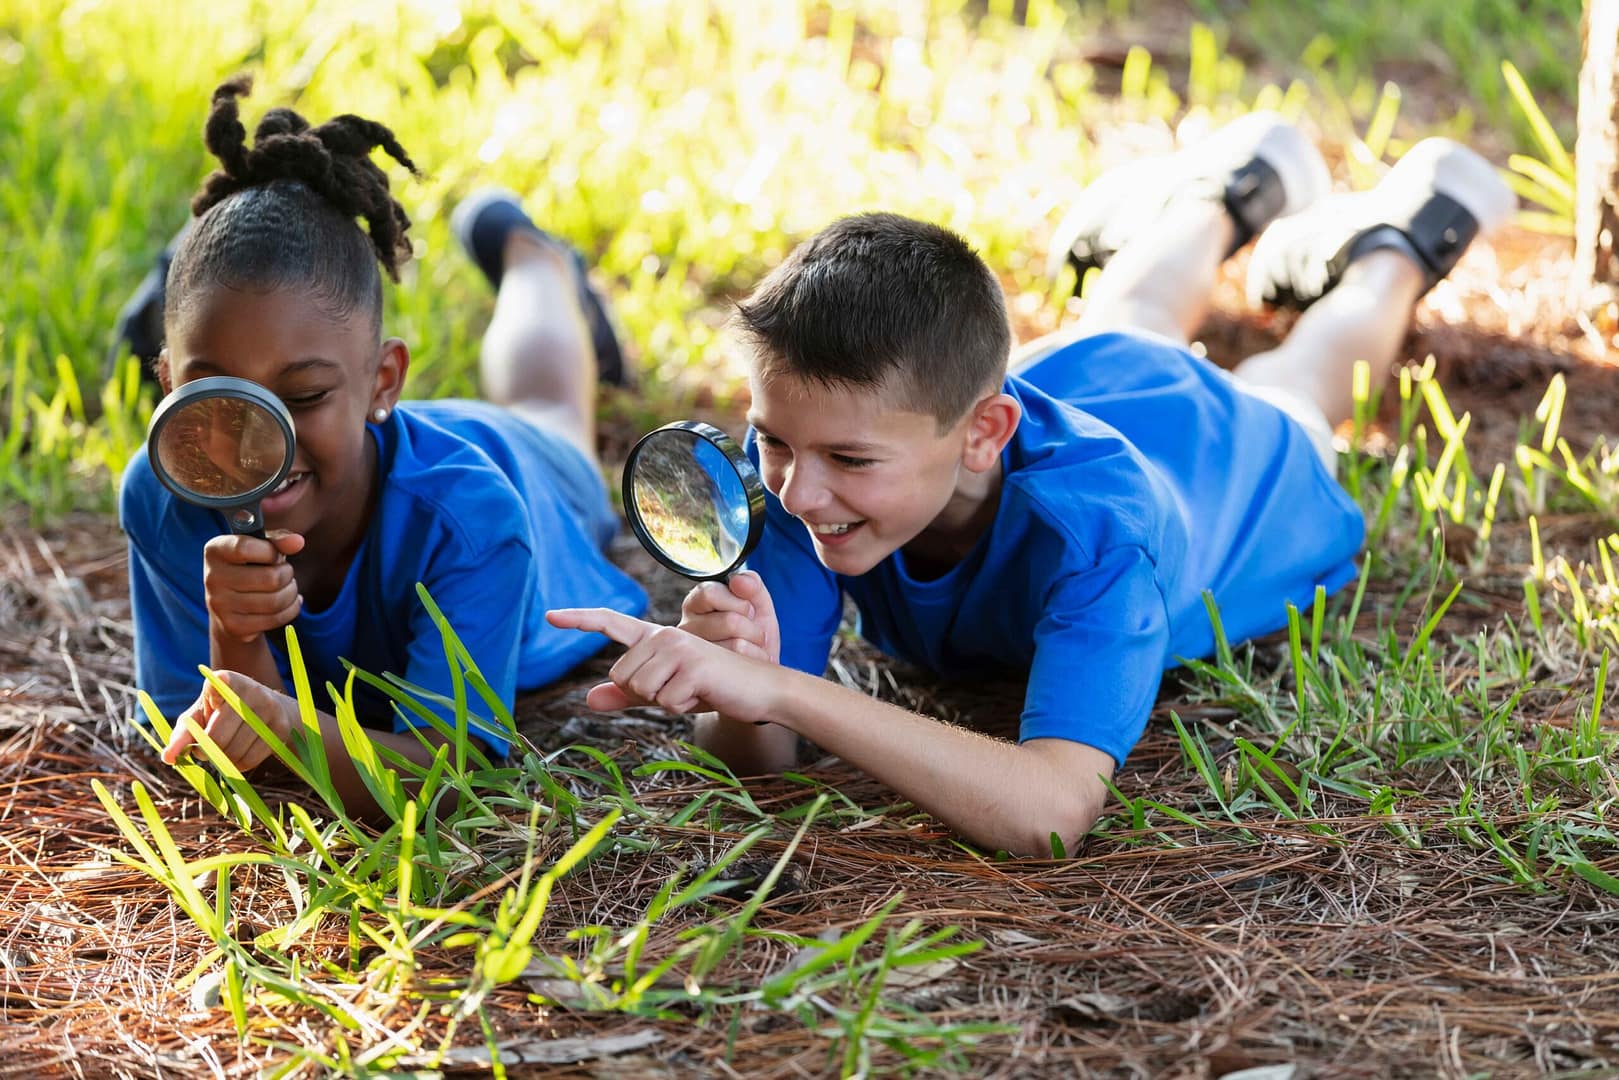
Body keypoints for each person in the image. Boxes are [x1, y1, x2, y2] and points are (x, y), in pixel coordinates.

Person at [548, 114, 1514, 856]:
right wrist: (742, 698)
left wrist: (783, 692)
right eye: (770, 442)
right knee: (1125, 314)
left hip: (1229, 468)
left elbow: (1051, 810)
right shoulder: (812, 483)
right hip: (1089, 375)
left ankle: (1404, 235)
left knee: (1295, 383)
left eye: (847, 460)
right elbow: (759, 767)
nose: (797, 494)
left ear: (982, 433)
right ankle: (1232, 187)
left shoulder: (1095, 539)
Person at [119, 76, 647, 814]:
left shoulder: (473, 515)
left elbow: (448, 772)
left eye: (301, 398)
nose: (256, 441)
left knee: (551, 408)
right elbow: (204, 743)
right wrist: (233, 638)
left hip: (514, 464)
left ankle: (534, 259)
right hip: (386, 447)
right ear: (172, 386)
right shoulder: (164, 490)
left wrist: (290, 731)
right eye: (219, 396)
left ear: (383, 380)